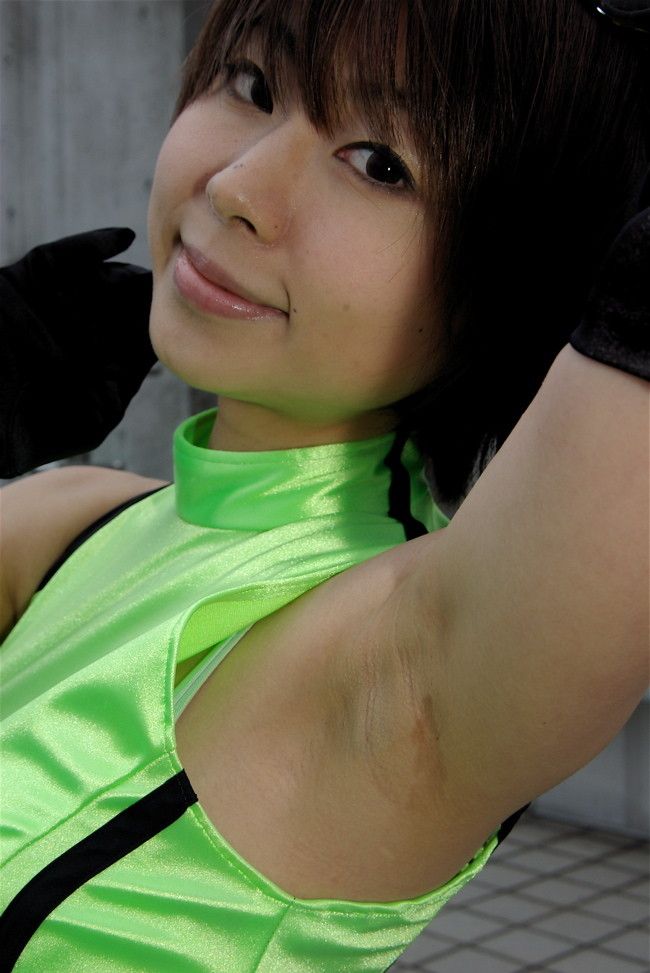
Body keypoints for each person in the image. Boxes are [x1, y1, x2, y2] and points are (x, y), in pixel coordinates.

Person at [0, 1, 648, 970]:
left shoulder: (408, 660)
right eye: (253, 83)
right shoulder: (72, 520)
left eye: (380, 164)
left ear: (509, 273)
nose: (236, 185)